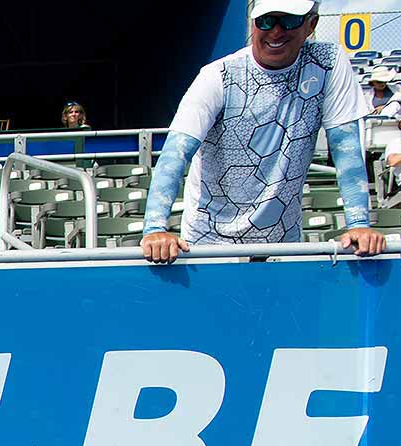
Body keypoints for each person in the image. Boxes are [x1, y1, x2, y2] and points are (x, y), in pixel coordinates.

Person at [142, 1, 384, 262]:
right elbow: (175, 153)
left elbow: (345, 147)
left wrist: (358, 223)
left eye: (289, 21)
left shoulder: (329, 63)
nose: (276, 32)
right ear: (254, 24)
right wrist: (155, 228)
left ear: (311, 24)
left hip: (283, 244)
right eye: (266, 21)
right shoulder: (218, 75)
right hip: (209, 242)